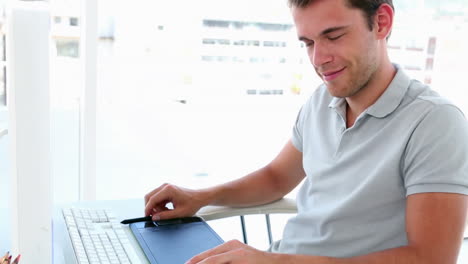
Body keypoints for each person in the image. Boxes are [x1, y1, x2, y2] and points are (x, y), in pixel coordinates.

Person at [145, 0, 468, 263]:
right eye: (308, 42)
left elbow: (430, 257)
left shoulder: (435, 122)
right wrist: (201, 197)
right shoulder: (324, 99)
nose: (319, 59)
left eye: (334, 36)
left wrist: (277, 263)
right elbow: (275, 178)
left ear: (381, 22)